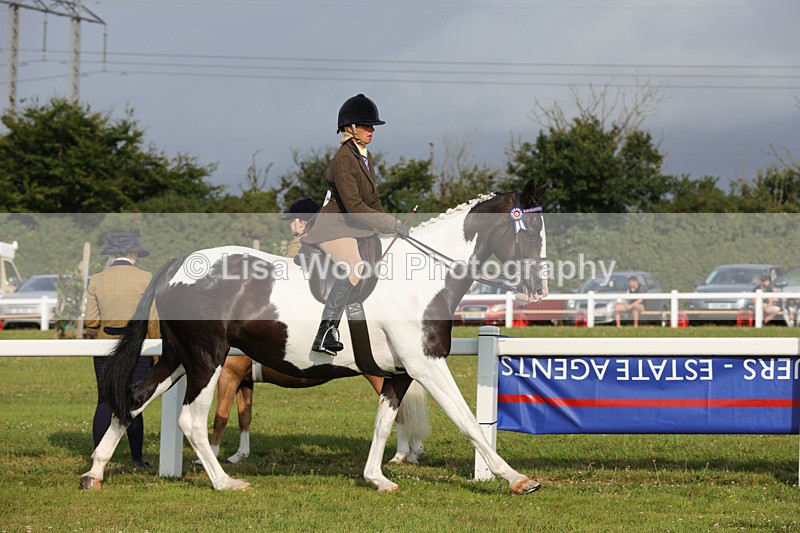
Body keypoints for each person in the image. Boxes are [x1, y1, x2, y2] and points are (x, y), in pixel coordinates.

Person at [303, 93, 408, 355]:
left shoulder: (365, 156)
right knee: (354, 266)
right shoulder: (343, 159)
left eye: (372, 126)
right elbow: (354, 206)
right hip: (333, 227)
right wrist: (389, 222)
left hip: (353, 227)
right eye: (366, 126)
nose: (372, 130)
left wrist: (389, 226)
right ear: (350, 128)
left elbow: (373, 200)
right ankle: (325, 332)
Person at [85, 232, 159, 469]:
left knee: (104, 402)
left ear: (113, 254)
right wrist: (156, 351)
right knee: (134, 402)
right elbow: (153, 321)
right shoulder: (146, 278)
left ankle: (99, 459)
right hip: (137, 349)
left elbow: (91, 321)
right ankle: (136, 458)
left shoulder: (96, 279)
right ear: (133, 253)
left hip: (105, 347)